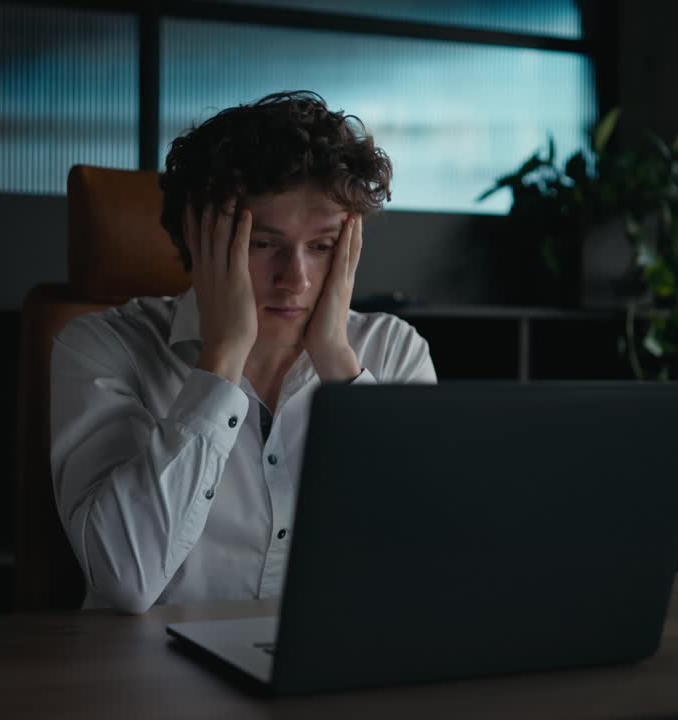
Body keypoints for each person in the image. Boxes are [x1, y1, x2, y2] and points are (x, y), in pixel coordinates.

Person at [50, 91, 436, 614]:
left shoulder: (391, 352)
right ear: (198, 235)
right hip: (150, 682)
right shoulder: (102, 348)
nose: (295, 278)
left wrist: (338, 368)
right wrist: (223, 358)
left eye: (322, 247)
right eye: (263, 244)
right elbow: (123, 579)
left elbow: (428, 555)